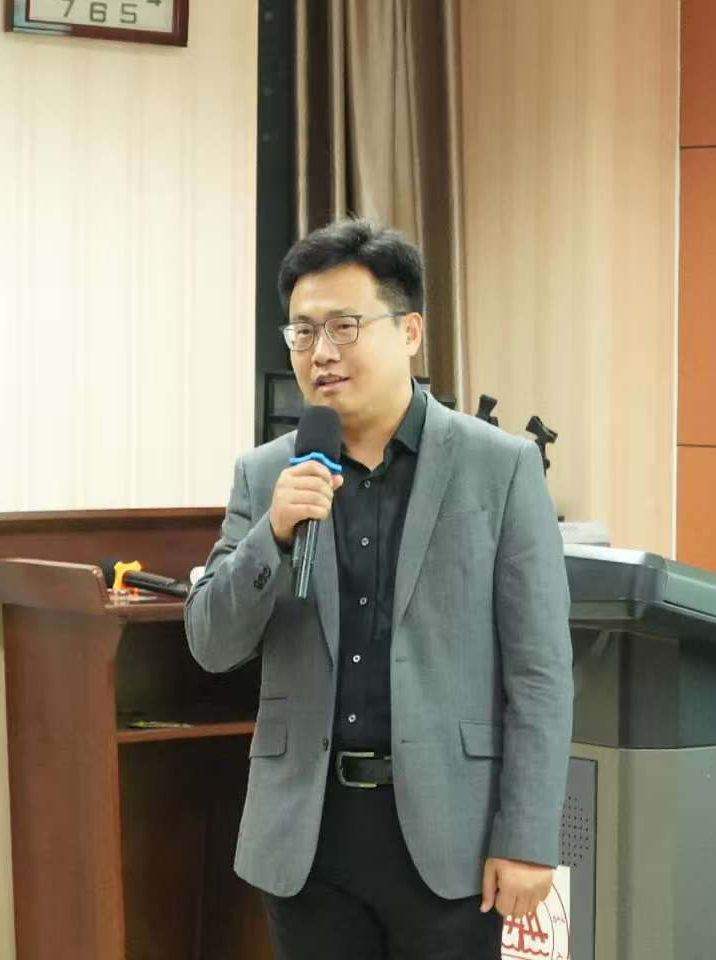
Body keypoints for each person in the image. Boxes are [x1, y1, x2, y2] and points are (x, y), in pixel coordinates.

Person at [185, 219, 573, 959]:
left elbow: (541, 672)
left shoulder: (500, 468)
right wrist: (272, 535)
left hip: (452, 837)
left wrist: (527, 838)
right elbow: (211, 644)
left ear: (410, 331)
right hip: (307, 839)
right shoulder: (267, 474)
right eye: (302, 332)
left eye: (344, 327)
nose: (321, 352)